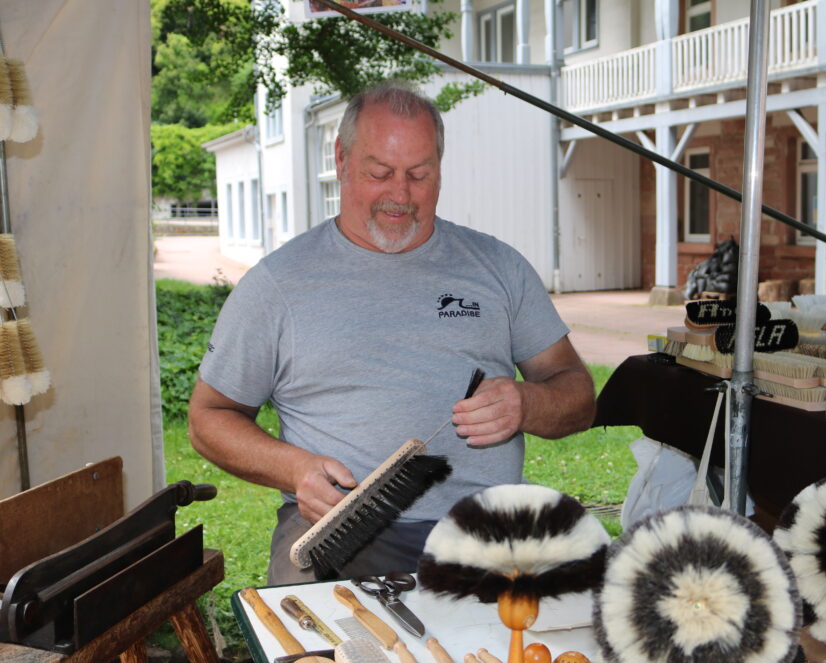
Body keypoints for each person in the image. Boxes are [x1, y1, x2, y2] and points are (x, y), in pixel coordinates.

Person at [188, 82, 595, 585]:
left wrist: (527, 404)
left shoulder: (499, 268)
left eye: (419, 175)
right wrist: (295, 469)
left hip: (484, 534)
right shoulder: (279, 285)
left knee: (532, 652)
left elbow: (577, 393)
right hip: (339, 529)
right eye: (379, 173)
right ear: (341, 159)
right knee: (321, 660)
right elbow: (209, 417)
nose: (400, 196)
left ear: (440, 169)